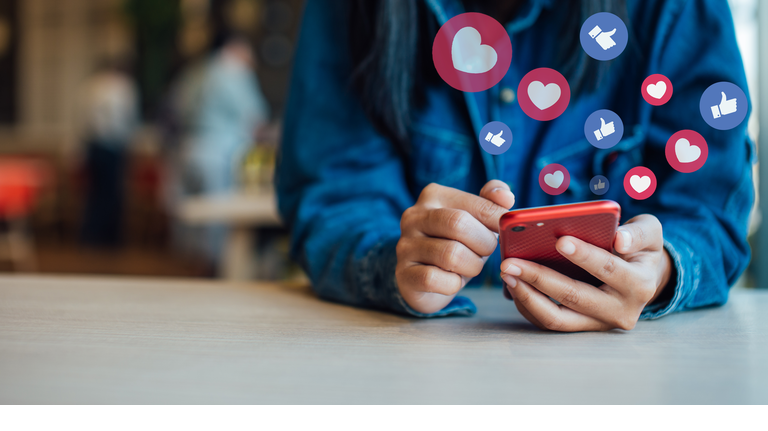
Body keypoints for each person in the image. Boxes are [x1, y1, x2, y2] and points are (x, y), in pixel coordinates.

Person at [276, 0, 754, 331]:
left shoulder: (676, 11)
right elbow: (334, 194)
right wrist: (392, 264)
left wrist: (662, 271)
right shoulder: (350, 12)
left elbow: (710, 210)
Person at [170, 34, 270, 267]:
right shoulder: (234, 71)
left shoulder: (196, 72)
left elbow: (176, 107)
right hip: (219, 151)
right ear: (237, 49)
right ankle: (217, 275)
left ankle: (191, 273)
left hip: (189, 148)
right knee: (219, 221)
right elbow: (255, 116)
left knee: (193, 223)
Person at [80, 59, 139, 248]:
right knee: (112, 194)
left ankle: (91, 237)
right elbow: (128, 120)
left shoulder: (90, 86)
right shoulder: (123, 87)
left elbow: (82, 120)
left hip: (93, 147)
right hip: (113, 146)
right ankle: (109, 240)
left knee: (96, 194)